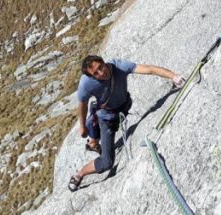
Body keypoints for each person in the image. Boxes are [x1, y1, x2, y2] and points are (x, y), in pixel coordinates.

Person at [69, 54, 184, 192]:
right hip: (107, 119)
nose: (101, 72)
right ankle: (80, 173)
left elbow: (148, 69)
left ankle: (93, 142)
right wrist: (81, 127)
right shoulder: (86, 83)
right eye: (96, 73)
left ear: (104, 62)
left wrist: (173, 76)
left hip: (123, 107)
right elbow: (82, 104)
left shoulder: (119, 66)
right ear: (92, 76)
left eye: (101, 67)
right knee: (107, 162)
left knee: (103, 133)